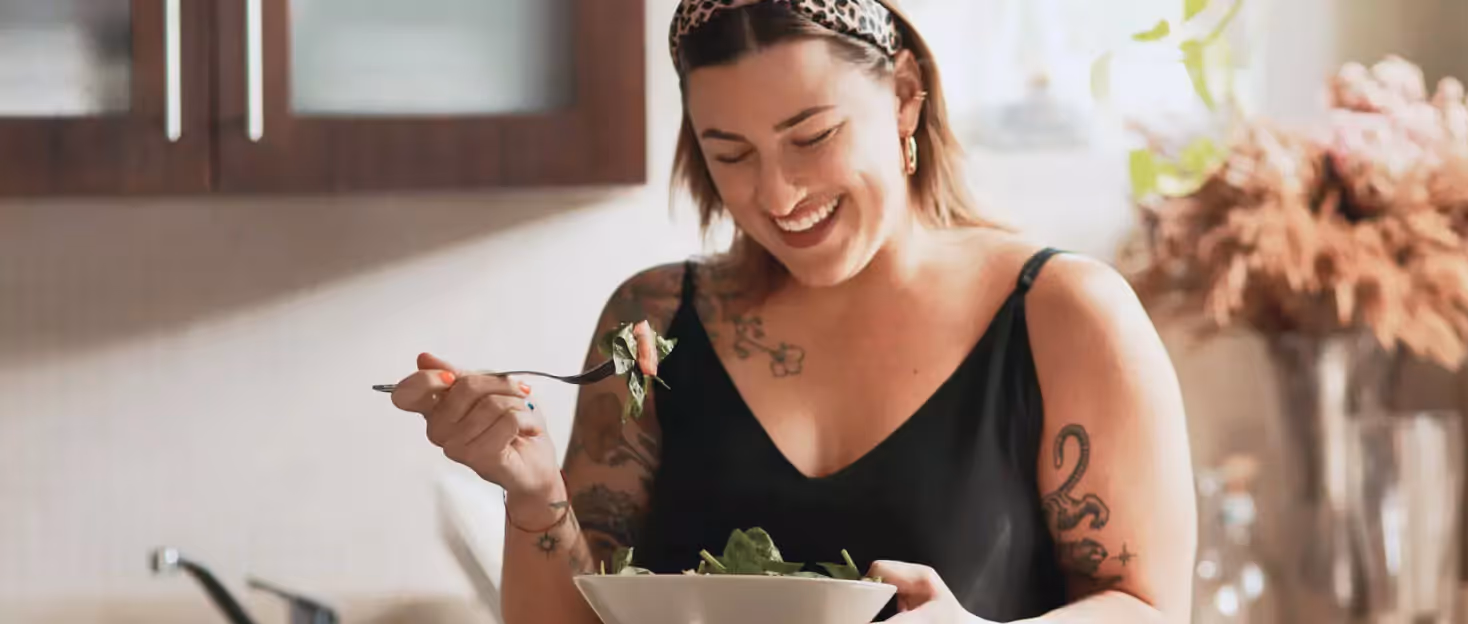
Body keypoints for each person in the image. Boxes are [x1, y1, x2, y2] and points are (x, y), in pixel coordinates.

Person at [388, 0, 1197, 621]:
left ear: (906, 96)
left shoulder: (1065, 318)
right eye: (729, 154)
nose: (775, 195)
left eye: (811, 137)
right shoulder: (653, 320)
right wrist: (534, 496)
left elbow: (1153, 608)